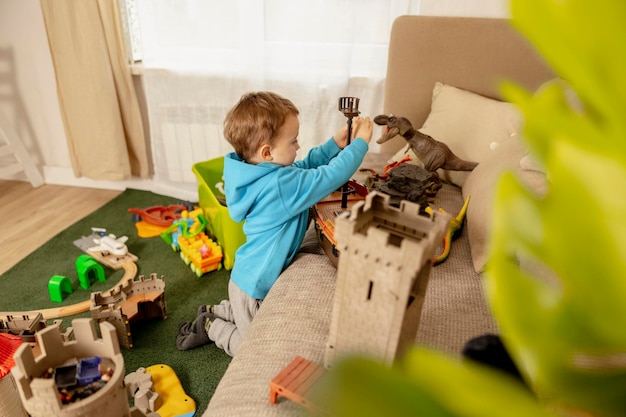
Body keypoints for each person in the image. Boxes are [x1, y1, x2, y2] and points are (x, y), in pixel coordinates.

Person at [176, 91, 373, 355]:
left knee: (243, 311)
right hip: (254, 288)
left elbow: (304, 167)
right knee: (248, 348)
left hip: (246, 281)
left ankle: (221, 309)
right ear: (267, 152)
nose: (298, 146)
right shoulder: (281, 186)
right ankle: (212, 326)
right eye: (293, 141)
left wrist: (334, 145)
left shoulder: (261, 174)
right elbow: (329, 175)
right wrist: (360, 144)